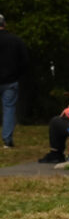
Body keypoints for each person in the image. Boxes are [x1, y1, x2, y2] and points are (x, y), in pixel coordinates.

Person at [0, 13, 29, 148]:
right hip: (10, 81)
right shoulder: (15, 40)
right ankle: (7, 139)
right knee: (9, 109)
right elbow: (25, 61)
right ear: (4, 24)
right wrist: (17, 74)